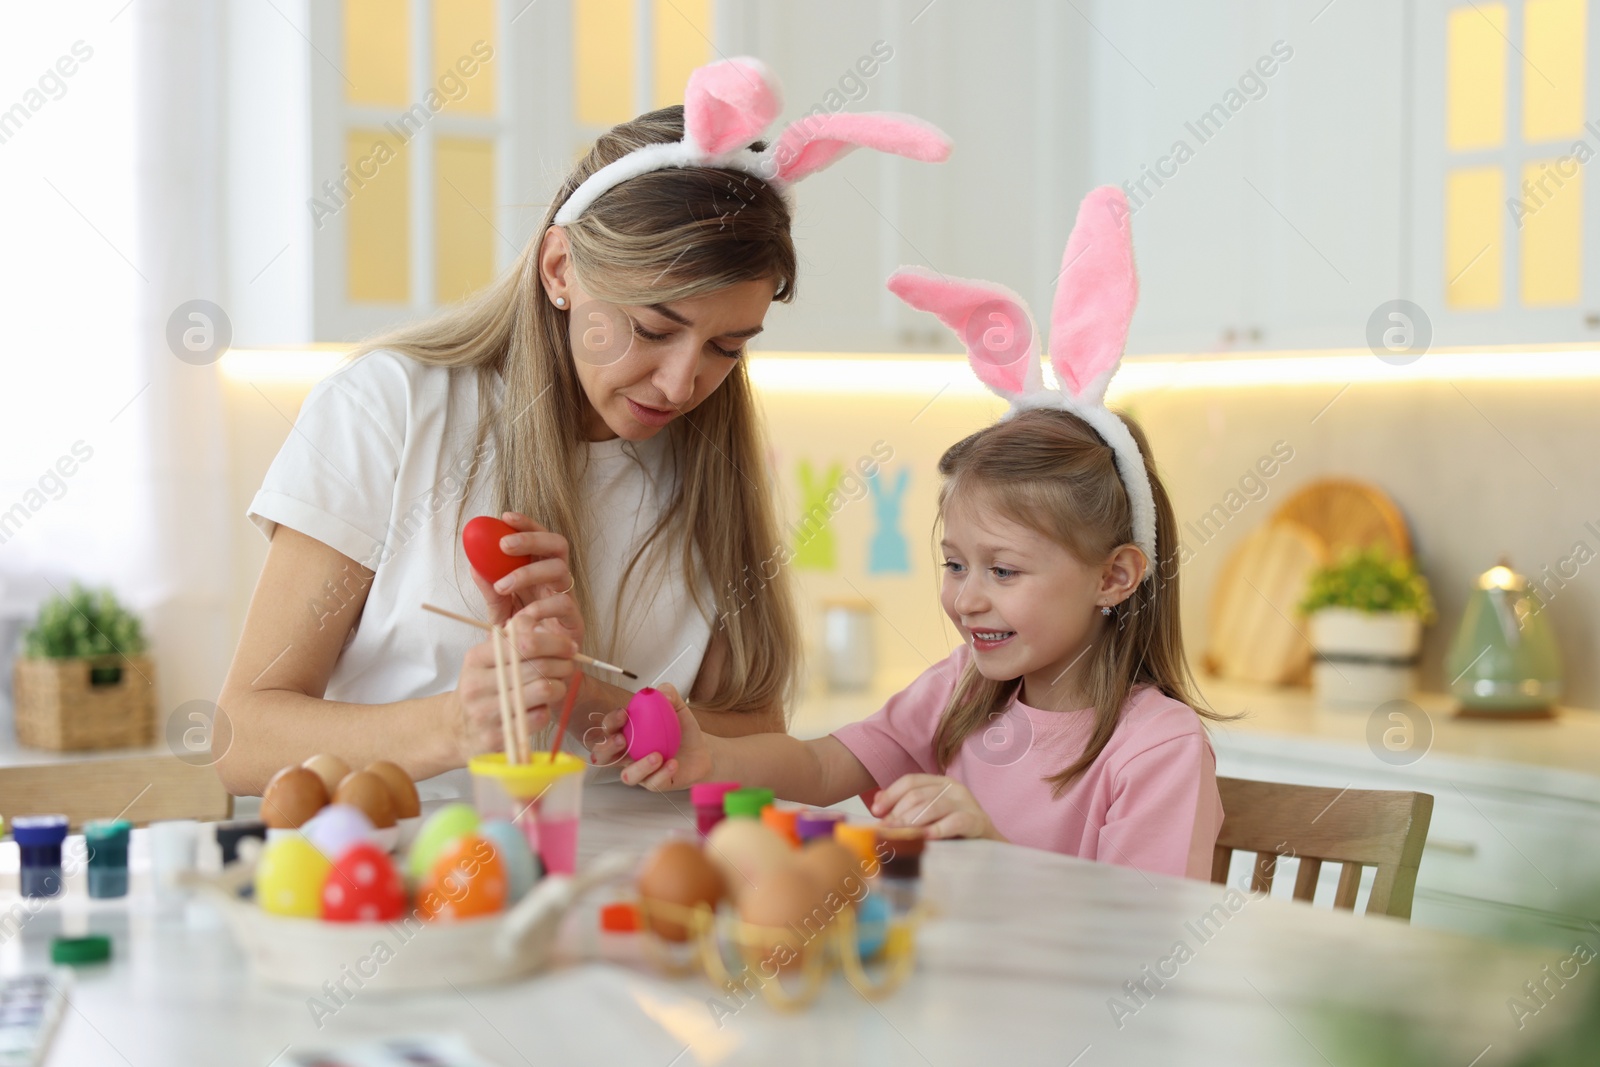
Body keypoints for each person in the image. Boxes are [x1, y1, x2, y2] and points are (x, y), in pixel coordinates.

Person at [213, 57, 951, 799]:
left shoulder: (706, 460)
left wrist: (587, 695)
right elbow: (240, 737)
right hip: (403, 891)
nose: (682, 383)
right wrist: (455, 726)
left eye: (728, 346)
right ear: (561, 268)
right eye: (652, 327)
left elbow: (754, 744)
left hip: (630, 900)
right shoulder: (391, 409)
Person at [596, 187, 1226, 879]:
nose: (967, 598)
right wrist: (708, 755)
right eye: (956, 564)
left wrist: (991, 857)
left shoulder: (1156, 747)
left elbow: (1147, 939)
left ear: (1114, 575)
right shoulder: (964, 691)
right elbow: (821, 763)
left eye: (1004, 571)